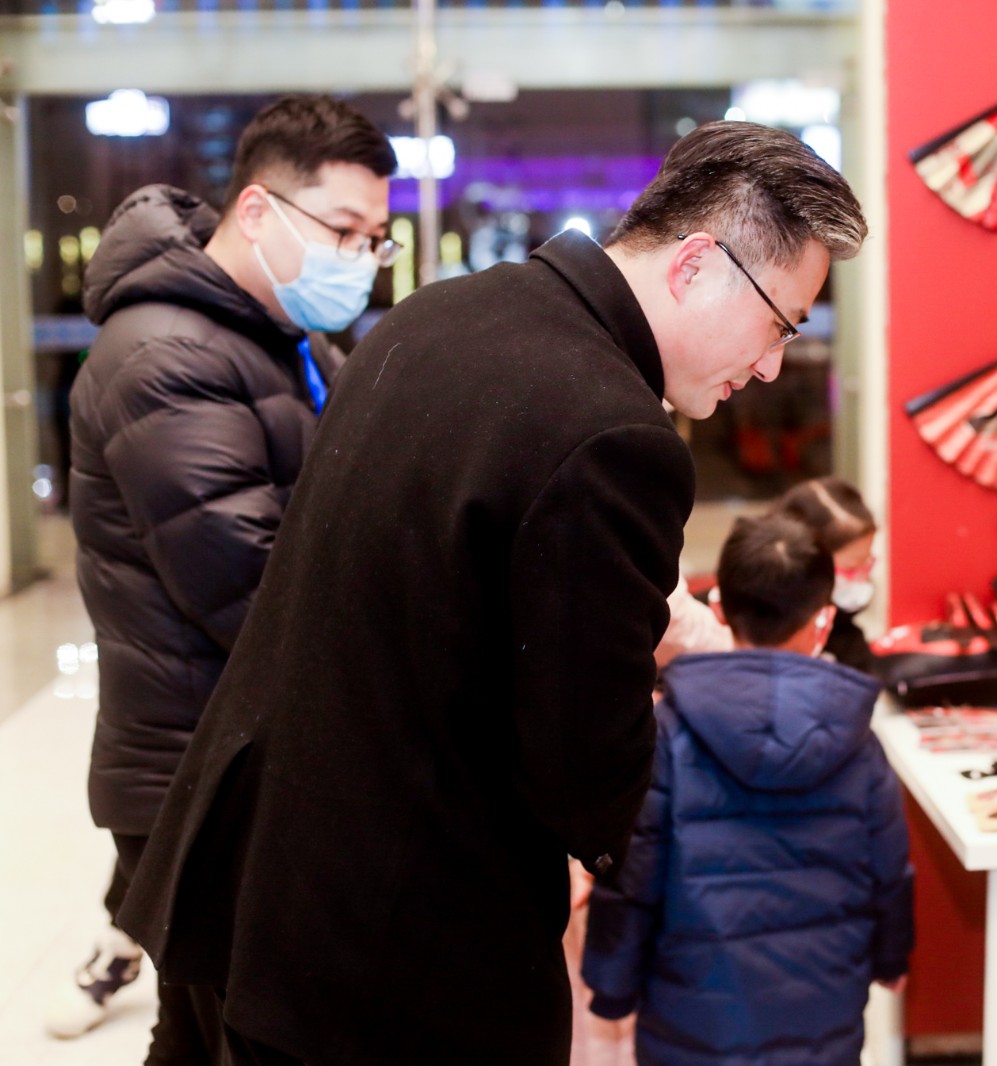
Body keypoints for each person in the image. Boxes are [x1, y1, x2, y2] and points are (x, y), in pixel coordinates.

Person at [117, 120, 867, 1065]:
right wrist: (665, 651)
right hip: (396, 949)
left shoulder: (438, 314)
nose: (770, 365)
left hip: (250, 875)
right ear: (696, 266)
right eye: (779, 323)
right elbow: (581, 772)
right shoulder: (614, 434)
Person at [57, 96, 395, 1058]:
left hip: (243, 752)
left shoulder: (282, 337)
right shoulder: (167, 354)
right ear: (257, 210)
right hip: (199, 769)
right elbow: (250, 585)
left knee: (199, 1034)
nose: (360, 258)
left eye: (374, 240)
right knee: (235, 1030)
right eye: (343, 230)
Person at [581, 513, 914, 1065]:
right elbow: (889, 871)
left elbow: (635, 875)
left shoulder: (668, 734)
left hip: (691, 1023)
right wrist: (891, 957)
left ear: (718, 608)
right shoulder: (859, 742)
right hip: (822, 1017)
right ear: (824, 619)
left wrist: (612, 985)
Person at [773, 476, 879, 672]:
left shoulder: (846, 640)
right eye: (851, 568)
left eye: (867, 563)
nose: (862, 578)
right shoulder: (751, 630)